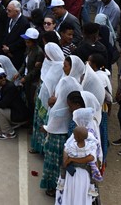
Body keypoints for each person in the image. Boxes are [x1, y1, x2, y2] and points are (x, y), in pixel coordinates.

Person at [41, 55, 84, 197]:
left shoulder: (68, 83)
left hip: (59, 130)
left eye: (66, 65)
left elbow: (60, 108)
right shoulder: (69, 81)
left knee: (55, 161)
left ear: (73, 68)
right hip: (61, 127)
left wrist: (49, 127)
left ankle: (54, 187)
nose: (63, 67)